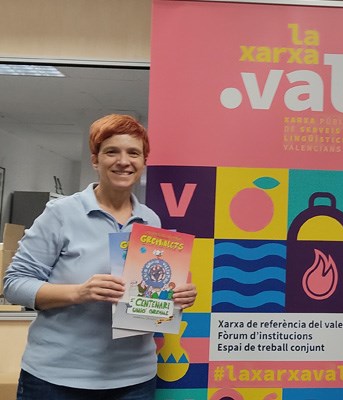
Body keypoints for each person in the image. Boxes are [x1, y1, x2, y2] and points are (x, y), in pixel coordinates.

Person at [3, 114, 197, 400]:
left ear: (144, 162)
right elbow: (14, 285)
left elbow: (149, 298)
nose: (123, 161)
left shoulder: (150, 220)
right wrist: (79, 292)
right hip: (56, 380)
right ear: (95, 160)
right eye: (111, 152)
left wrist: (176, 297)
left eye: (134, 153)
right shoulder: (61, 214)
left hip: (134, 380)